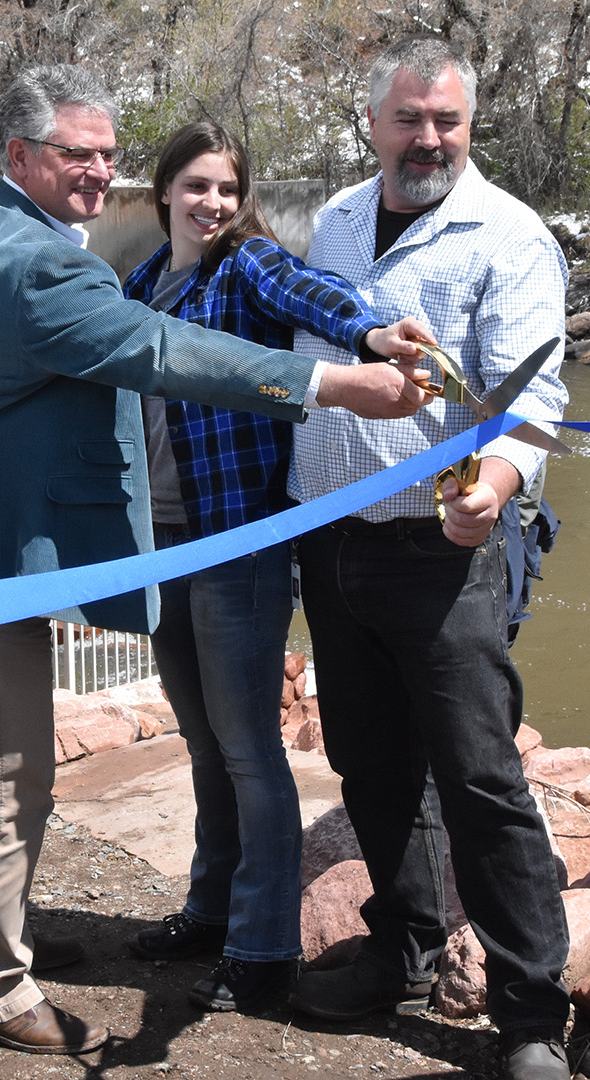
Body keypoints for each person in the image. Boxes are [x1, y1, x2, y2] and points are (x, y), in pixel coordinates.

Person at [0, 64, 436, 1056]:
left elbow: (283, 281)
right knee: (11, 774)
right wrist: (338, 385)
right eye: (77, 155)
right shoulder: (54, 265)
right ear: (22, 157)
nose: (98, 173)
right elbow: (160, 350)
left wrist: (358, 326)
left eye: (108, 154)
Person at [282, 37, 574, 1080]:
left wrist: (493, 491)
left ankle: (533, 1011)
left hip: (445, 549)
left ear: (470, 124)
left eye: (446, 120)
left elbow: (535, 393)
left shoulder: (510, 235)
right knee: (370, 763)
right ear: (374, 123)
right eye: (409, 118)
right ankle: (399, 950)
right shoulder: (336, 222)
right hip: (332, 540)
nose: (428, 138)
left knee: (480, 774)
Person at [120, 120, 431, 1013]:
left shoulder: (246, 266)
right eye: (196, 187)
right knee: (204, 744)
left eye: (226, 188)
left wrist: (373, 337)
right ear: (163, 193)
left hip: (241, 542)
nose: (212, 203)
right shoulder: (141, 285)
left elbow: (317, 293)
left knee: (252, 753)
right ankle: (211, 911)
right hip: (162, 543)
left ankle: (262, 951)